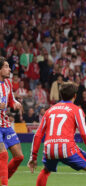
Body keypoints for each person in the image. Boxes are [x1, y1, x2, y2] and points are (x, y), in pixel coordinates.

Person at [27, 82, 86, 186]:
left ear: (61, 95)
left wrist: (33, 157)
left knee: (46, 170)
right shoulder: (76, 110)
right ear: (75, 96)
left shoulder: (49, 110)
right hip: (66, 148)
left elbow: (38, 134)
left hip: (49, 148)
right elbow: (84, 133)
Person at [0, 57, 24, 186]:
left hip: (4, 123)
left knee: (19, 157)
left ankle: (2, 179)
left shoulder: (8, 84)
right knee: (3, 154)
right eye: (6, 66)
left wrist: (15, 104)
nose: (9, 69)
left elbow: (11, 100)